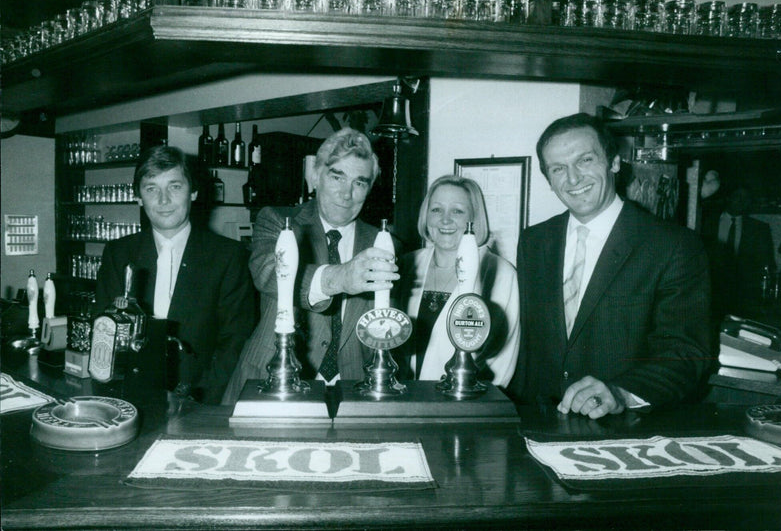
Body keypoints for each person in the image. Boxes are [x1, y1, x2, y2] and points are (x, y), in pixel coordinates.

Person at [508, 113, 714, 419]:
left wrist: (620, 393)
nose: (573, 178)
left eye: (585, 160)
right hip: (539, 422)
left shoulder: (673, 245)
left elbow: (685, 354)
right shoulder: (534, 241)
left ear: (615, 163)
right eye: (558, 169)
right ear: (549, 180)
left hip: (621, 429)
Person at [223, 128, 399, 404]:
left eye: (360, 183)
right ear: (315, 176)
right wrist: (339, 278)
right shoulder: (278, 221)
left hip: (355, 390)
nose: (346, 193)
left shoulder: (385, 243)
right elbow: (269, 273)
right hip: (273, 381)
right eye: (337, 176)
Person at [94, 145, 256, 404]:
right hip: (126, 397)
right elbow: (105, 331)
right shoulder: (118, 253)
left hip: (199, 401)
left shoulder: (228, 256)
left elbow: (235, 341)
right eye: (151, 189)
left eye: (175, 186)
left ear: (193, 192)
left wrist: (196, 397)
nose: (163, 200)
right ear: (138, 197)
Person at [394, 175, 519, 387]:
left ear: (474, 219)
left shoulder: (500, 273)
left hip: (463, 405)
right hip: (405, 401)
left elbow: (502, 358)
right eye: (436, 209)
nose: (445, 219)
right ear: (426, 216)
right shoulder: (407, 265)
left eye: (457, 211)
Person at [701, 184, 776, 319]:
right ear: (728, 198)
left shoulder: (759, 229)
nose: (742, 201)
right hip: (710, 287)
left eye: (746, 198)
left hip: (743, 293)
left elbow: (766, 262)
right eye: (738, 197)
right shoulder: (706, 222)